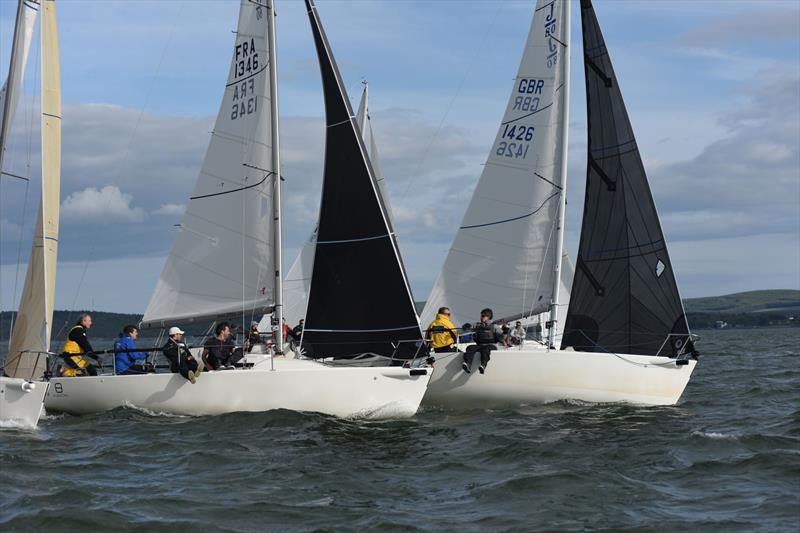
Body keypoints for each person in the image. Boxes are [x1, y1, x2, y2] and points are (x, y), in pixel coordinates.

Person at [462, 308, 502, 375]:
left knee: (485, 349)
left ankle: (483, 365)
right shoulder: (478, 325)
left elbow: (501, 337)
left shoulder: (495, 326)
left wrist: (505, 333)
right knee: (470, 347)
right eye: (481, 316)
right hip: (480, 345)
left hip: (491, 346)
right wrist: (466, 326)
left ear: (488, 317)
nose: (481, 318)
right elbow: (469, 328)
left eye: (483, 316)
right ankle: (467, 364)